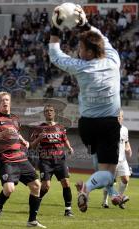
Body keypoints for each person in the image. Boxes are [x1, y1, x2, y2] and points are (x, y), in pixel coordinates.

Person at [48, 5, 128, 212]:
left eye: (81, 49)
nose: (78, 51)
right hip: (110, 123)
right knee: (108, 173)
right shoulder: (113, 61)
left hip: (87, 126)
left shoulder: (81, 68)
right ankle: (89, 187)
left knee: (100, 164)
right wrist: (84, 24)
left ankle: (90, 189)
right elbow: (100, 38)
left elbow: (55, 56)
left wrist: (55, 28)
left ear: (90, 52)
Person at [0, 92, 46, 228]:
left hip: (21, 157)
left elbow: (16, 132)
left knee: (36, 186)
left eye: (7, 100)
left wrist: (24, 141)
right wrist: (0, 134)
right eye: (2, 100)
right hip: (6, 159)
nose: (5, 102)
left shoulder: (16, 119)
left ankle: (32, 221)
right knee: (9, 189)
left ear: (10, 102)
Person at [30, 104, 74, 217]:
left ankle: (68, 209)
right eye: (46, 111)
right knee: (46, 186)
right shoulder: (39, 128)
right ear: (44, 114)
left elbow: (65, 139)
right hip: (45, 161)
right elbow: (32, 146)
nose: (49, 112)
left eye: (51, 110)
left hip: (60, 160)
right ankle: (36, 203)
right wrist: (39, 138)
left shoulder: (60, 127)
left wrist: (69, 148)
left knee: (66, 182)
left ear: (54, 113)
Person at [102, 110, 132, 209]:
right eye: (117, 116)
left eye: (120, 116)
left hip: (122, 160)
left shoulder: (125, 129)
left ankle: (119, 198)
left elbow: (126, 141)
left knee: (125, 179)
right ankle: (105, 201)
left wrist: (129, 149)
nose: (119, 118)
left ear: (123, 118)